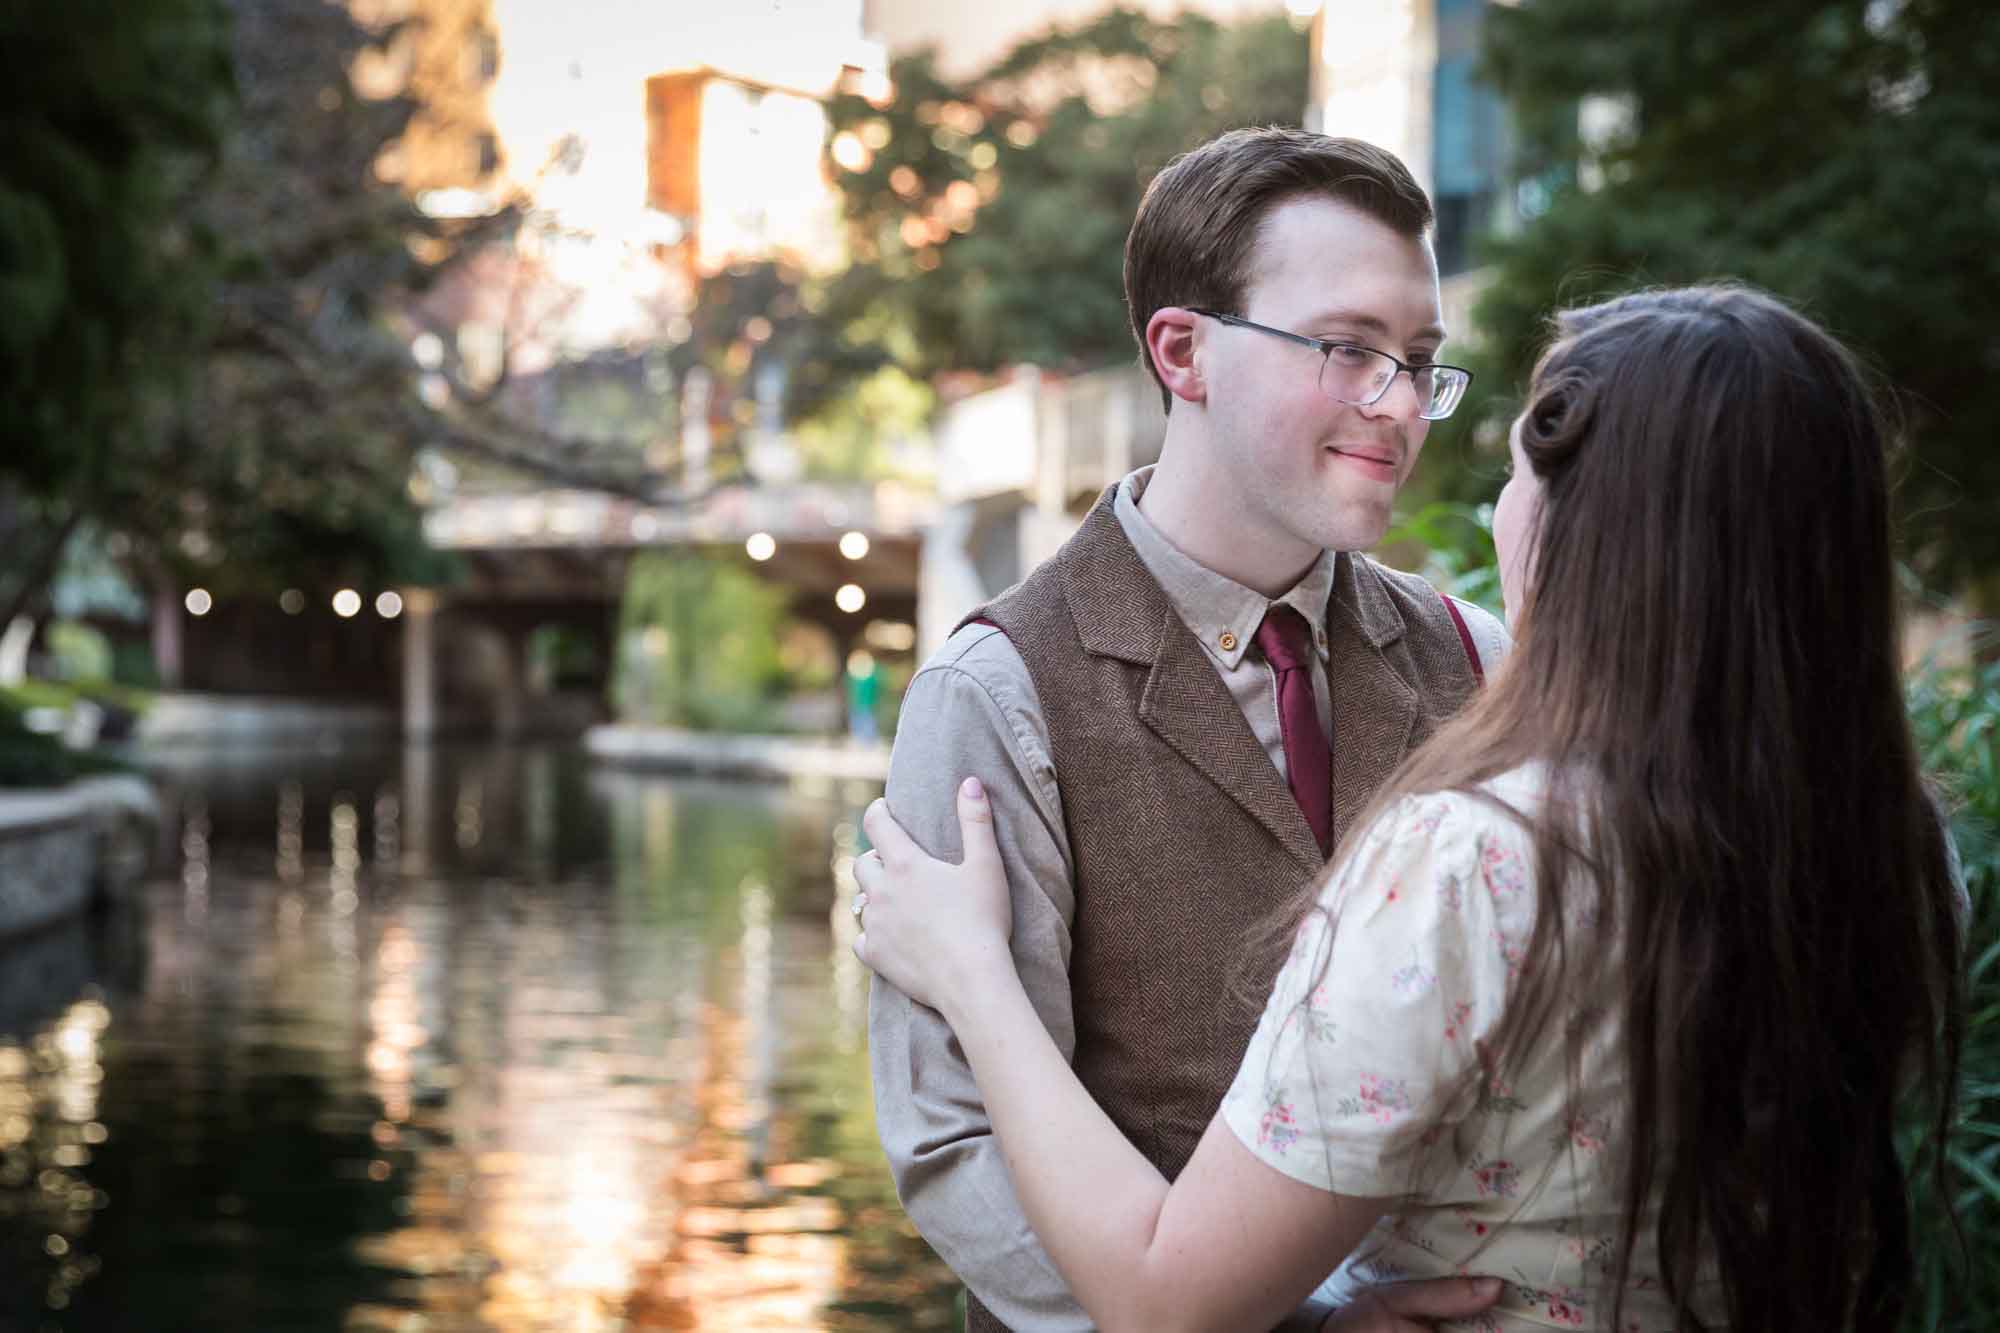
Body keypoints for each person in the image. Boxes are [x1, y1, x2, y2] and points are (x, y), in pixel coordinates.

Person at [853, 285, 1967, 1331]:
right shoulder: (1899, 854)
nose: (1492, 496)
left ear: (1589, 526)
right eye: (1346, 348)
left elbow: (1166, 1299)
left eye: (1520, 461)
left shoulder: (1477, 860)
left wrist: (970, 973)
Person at [869, 126, 1511, 1332]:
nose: (1399, 405)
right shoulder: (995, 690)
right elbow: (954, 1149)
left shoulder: (1474, 656)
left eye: (1417, 359)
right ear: (1183, 352)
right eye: (1345, 349)